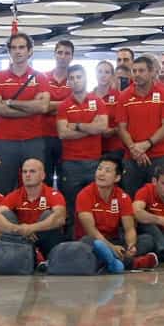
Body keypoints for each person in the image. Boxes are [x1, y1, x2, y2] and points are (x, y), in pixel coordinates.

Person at [0, 32, 49, 194]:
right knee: (4, 187)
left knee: (34, 187)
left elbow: (43, 107)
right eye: (13, 48)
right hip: (5, 141)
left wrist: (10, 103)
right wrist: (30, 108)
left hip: (33, 140)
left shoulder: (40, 77)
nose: (17, 51)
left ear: (29, 51)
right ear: (9, 52)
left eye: (22, 47)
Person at [74, 156, 157, 272]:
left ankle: (109, 262)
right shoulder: (84, 195)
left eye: (107, 171)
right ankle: (133, 263)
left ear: (117, 177)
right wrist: (111, 248)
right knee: (87, 243)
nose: (101, 174)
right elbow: (91, 231)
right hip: (92, 241)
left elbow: (129, 229)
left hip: (114, 241)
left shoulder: (123, 196)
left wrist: (131, 246)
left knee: (147, 240)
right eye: (99, 169)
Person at [0, 158, 67, 272]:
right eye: (24, 172)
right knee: (5, 215)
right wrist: (18, 229)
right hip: (22, 240)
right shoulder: (15, 194)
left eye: (32, 171)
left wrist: (31, 228)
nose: (27, 175)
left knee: (48, 214)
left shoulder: (53, 193)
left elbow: (60, 218)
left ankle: (46, 258)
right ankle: (30, 257)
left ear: (43, 175)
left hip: (44, 240)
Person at [56, 64, 107, 233]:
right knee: (72, 207)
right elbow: (63, 133)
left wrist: (76, 126)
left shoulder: (97, 101)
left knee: (95, 205)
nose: (76, 81)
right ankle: (73, 242)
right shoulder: (64, 105)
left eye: (79, 77)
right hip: (71, 164)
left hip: (94, 162)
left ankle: (96, 240)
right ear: (68, 82)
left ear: (85, 78)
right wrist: (90, 128)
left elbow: (102, 127)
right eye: (72, 78)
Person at [117, 55, 164, 194]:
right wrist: (134, 149)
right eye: (134, 71)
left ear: (151, 72)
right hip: (132, 156)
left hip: (159, 155)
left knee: (160, 197)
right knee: (132, 197)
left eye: (141, 71)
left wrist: (147, 144)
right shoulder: (124, 96)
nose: (137, 74)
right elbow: (121, 128)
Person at [42, 40, 74, 188]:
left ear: (72, 57)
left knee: (65, 179)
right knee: (44, 178)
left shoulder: (76, 79)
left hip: (67, 137)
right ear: (54, 55)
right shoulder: (43, 78)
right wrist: (65, 104)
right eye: (60, 52)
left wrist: (51, 105)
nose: (63, 56)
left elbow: (76, 108)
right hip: (44, 136)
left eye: (67, 53)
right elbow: (41, 107)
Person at [94, 60, 124, 161]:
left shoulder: (120, 97)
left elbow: (126, 122)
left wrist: (113, 130)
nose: (103, 75)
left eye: (107, 72)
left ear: (112, 76)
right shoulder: (88, 97)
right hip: (93, 147)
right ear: (95, 74)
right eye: (100, 71)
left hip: (115, 148)